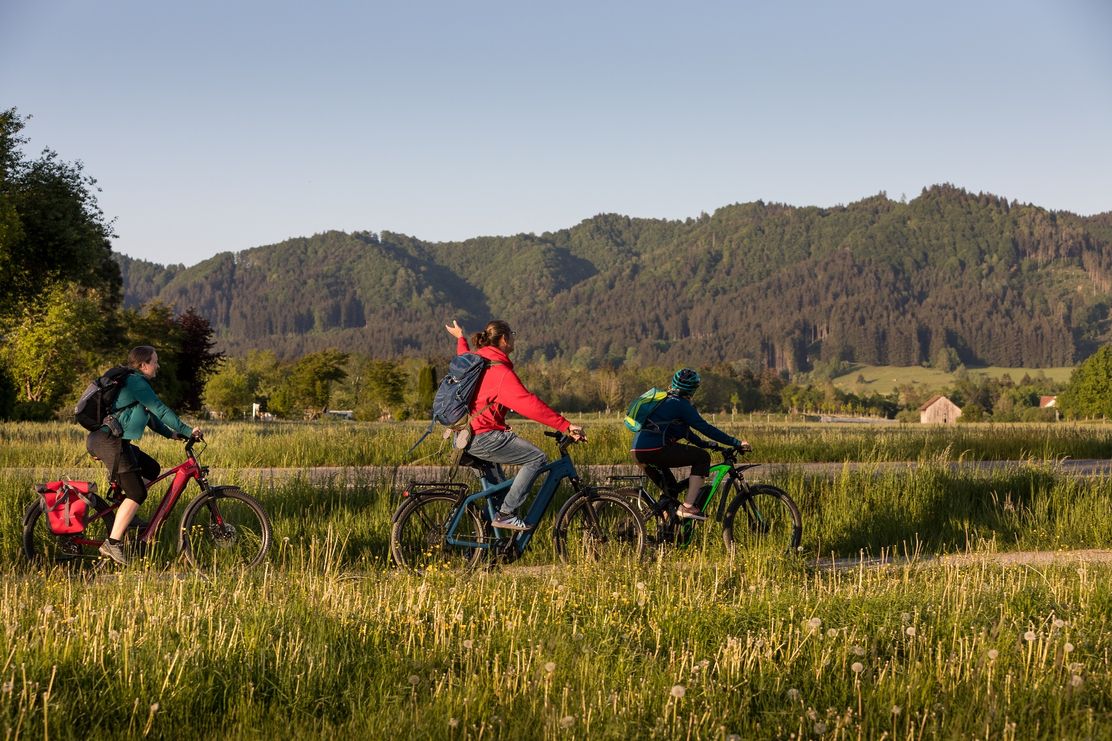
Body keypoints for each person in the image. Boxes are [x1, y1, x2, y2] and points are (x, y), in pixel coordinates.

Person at [445, 320, 585, 531]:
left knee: (497, 495)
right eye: (512, 334)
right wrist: (565, 425)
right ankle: (506, 514)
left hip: (464, 435)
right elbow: (529, 404)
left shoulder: (476, 361)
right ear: (504, 339)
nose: (513, 339)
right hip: (483, 437)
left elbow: (461, 358)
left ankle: (487, 547)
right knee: (536, 458)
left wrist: (460, 338)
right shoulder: (500, 373)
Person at [86, 346, 202, 565]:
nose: (157, 365)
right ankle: (113, 543)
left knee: (151, 468)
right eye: (154, 361)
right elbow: (160, 409)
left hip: (112, 441)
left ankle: (126, 514)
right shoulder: (136, 382)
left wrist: (173, 434)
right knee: (138, 493)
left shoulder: (132, 383)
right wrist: (189, 430)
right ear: (143, 365)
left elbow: (149, 417)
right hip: (110, 443)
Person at [630, 368, 747, 521]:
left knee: (671, 490)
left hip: (638, 451)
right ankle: (688, 507)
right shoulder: (680, 404)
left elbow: (687, 433)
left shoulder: (665, 402)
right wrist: (736, 442)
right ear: (693, 389)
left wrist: (710, 445)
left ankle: (666, 530)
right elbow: (704, 427)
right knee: (702, 458)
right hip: (655, 450)